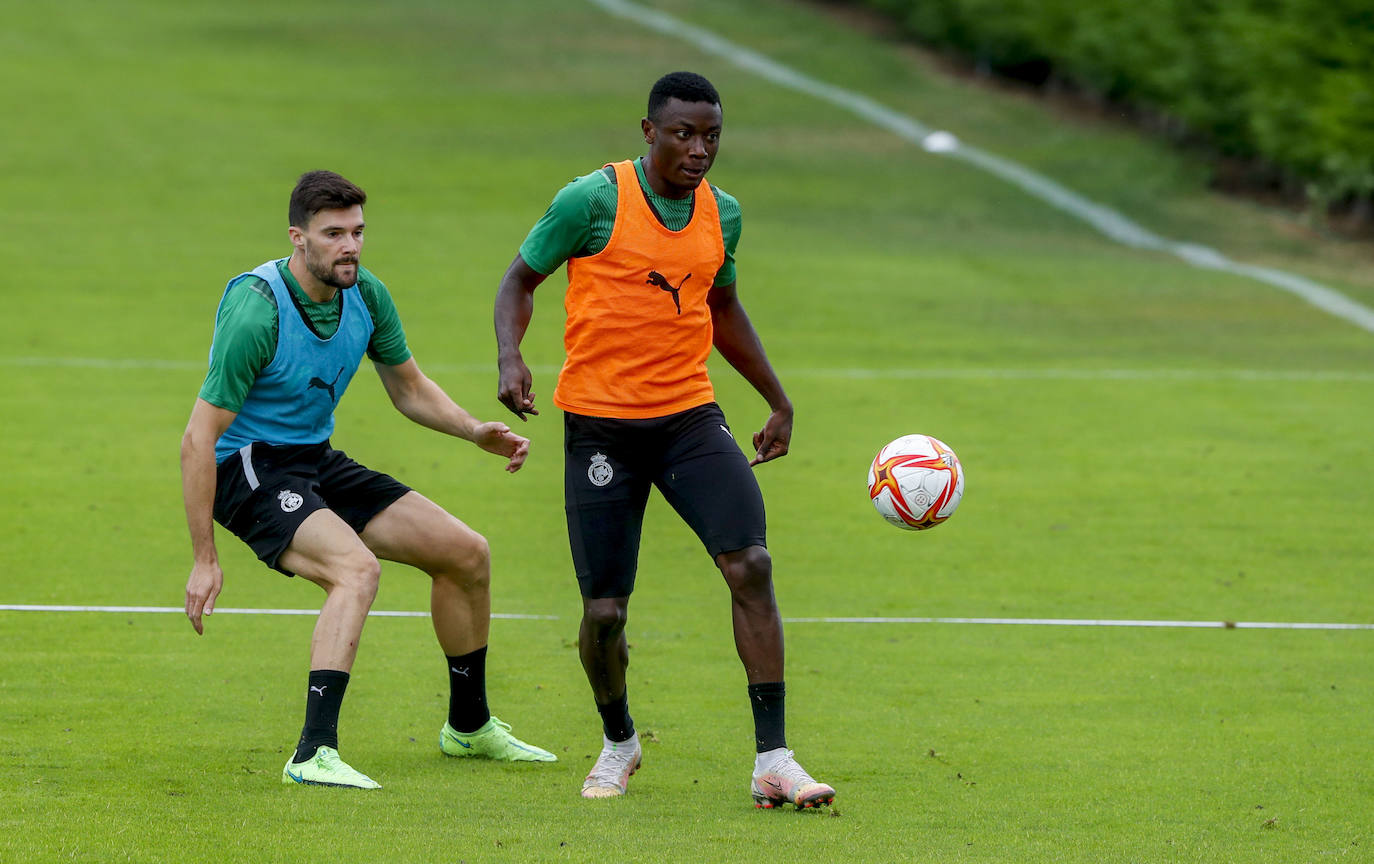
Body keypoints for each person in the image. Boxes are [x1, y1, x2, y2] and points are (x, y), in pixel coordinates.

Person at [493, 72, 835, 809]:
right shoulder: (592, 200)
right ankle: (619, 741)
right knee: (605, 613)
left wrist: (777, 399)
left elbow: (725, 307)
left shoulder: (723, 215)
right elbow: (519, 281)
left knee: (752, 564)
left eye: (711, 135)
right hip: (599, 426)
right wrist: (510, 356)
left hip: (687, 417)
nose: (699, 149)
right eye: (683, 133)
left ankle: (774, 758)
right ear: (649, 131)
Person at [182, 170, 556, 790]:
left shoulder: (366, 294)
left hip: (312, 459)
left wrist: (473, 431)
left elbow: (407, 387)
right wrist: (204, 557)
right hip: (245, 467)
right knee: (356, 569)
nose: (349, 245)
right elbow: (199, 438)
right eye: (334, 234)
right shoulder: (258, 309)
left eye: (357, 232)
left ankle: (468, 727)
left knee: (465, 553)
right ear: (298, 238)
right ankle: (312, 753)